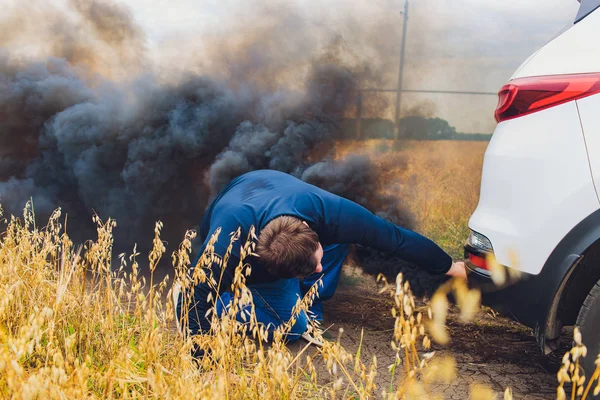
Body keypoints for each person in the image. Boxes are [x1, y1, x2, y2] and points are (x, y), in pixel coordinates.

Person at [176, 169, 466, 344]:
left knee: (341, 239)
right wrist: (205, 360)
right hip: (239, 208)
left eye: (316, 258)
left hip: (267, 191)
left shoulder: (333, 212)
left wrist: (449, 266)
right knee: (289, 330)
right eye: (310, 269)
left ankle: (310, 303)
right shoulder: (227, 245)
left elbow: (396, 239)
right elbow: (196, 296)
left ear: (310, 230)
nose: (319, 269)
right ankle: (230, 303)